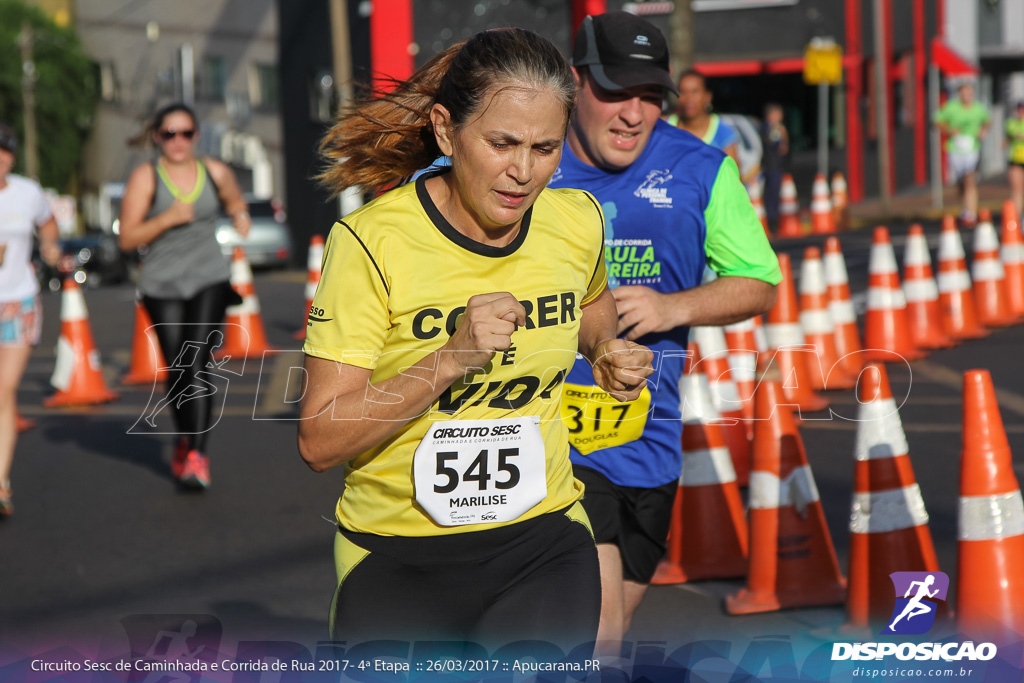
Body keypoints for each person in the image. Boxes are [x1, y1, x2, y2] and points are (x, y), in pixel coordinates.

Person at [299, 28, 654, 652]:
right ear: (445, 130)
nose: (523, 171)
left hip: (542, 543)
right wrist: (451, 358)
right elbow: (321, 438)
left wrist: (603, 350)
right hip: (397, 556)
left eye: (545, 148)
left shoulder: (576, 221)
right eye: (502, 143)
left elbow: (593, 304)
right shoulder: (370, 243)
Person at [550, 12, 781, 650]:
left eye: (650, 96)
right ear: (576, 84)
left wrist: (673, 308)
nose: (633, 113)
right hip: (552, 441)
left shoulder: (701, 168)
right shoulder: (529, 161)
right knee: (593, 633)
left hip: (649, 439)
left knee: (611, 636)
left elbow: (760, 281)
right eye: (616, 91)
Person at [118, 103, 251, 490]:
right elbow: (127, 237)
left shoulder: (215, 171)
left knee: (196, 363)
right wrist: (167, 219)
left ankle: (197, 455)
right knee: (178, 371)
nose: (178, 141)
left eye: (186, 133)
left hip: (209, 277)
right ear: (157, 137)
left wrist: (240, 215)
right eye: (170, 134)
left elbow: (234, 201)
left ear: (196, 136)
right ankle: (184, 440)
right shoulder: (146, 178)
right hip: (162, 283)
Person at [0, 123, 61, 517]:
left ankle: (0, 482)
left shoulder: (27, 192)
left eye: (4, 151)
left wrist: (52, 246)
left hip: (18, 302)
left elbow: (48, 222)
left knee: (3, 389)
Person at [665, 70, 743, 177]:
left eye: (695, 91)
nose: (689, 98)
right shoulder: (665, 128)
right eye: (683, 91)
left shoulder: (722, 132)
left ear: (708, 96)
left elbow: (733, 176)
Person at [933, 81, 990, 227]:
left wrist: (983, 131)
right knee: (961, 182)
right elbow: (937, 121)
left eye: (969, 92)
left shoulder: (978, 108)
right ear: (960, 94)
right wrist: (949, 130)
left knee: (969, 179)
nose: (967, 95)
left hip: (972, 147)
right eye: (964, 92)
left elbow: (987, 121)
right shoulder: (951, 107)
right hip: (955, 148)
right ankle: (965, 208)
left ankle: (971, 214)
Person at [760, 102, 789, 228]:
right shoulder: (769, 128)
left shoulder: (776, 128)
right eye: (778, 113)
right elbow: (775, 145)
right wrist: (781, 132)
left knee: (774, 192)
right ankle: (772, 221)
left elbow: (784, 148)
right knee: (771, 193)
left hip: (775, 165)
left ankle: (773, 219)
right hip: (771, 165)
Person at [1005, 100, 1024, 218]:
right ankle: (1017, 217)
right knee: (1017, 190)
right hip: (1016, 159)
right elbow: (1013, 134)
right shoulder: (1011, 123)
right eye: (1020, 109)